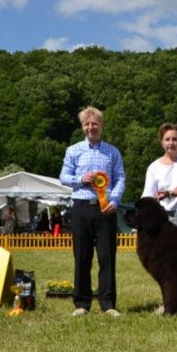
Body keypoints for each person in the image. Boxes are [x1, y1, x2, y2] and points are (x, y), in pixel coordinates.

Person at [60, 106, 126, 317]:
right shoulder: (73, 150)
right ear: (82, 127)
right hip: (80, 208)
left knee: (107, 258)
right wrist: (80, 179)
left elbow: (120, 178)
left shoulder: (113, 151)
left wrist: (115, 200)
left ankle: (108, 304)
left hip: (105, 209)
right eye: (87, 124)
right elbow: (63, 177)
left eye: (94, 123)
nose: (91, 127)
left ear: (101, 125)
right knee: (82, 257)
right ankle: (82, 304)